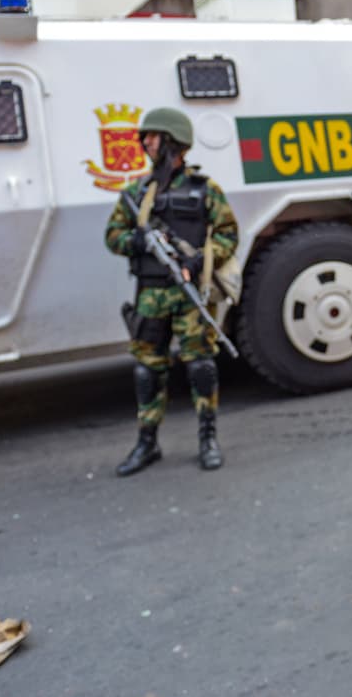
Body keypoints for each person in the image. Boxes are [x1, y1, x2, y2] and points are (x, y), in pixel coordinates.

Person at [105, 106, 239, 477]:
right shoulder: (137, 192)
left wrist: (199, 262)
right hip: (150, 294)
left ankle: (208, 439)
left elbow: (228, 233)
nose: (145, 142)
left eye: (153, 136)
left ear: (173, 141)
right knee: (148, 370)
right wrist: (140, 241)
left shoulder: (204, 190)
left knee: (200, 366)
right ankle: (147, 442)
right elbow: (112, 237)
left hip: (190, 294)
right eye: (145, 137)